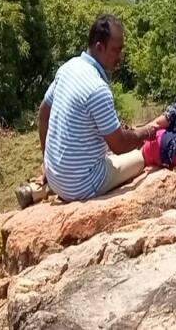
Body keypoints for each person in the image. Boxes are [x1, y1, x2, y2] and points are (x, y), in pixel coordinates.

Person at [15, 15, 154, 208]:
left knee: (105, 158)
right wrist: (147, 132)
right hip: (83, 185)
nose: (120, 57)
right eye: (116, 50)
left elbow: (43, 113)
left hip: (55, 175)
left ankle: (38, 191)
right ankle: (60, 187)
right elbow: (120, 145)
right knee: (140, 157)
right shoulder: (97, 88)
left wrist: (46, 159)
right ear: (99, 47)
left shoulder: (68, 68)